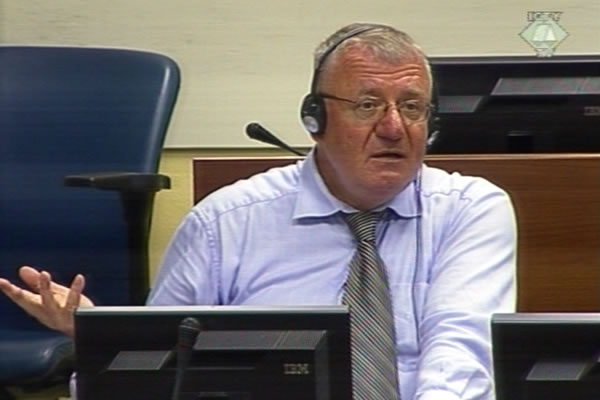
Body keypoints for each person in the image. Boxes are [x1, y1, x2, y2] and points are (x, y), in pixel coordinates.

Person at [0, 23, 516, 400]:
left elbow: (461, 357)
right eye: (366, 105)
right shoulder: (225, 223)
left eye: (412, 107)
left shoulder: (471, 210)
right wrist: (106, 338)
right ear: (315, 118)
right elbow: (154, 374)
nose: (394, 127)